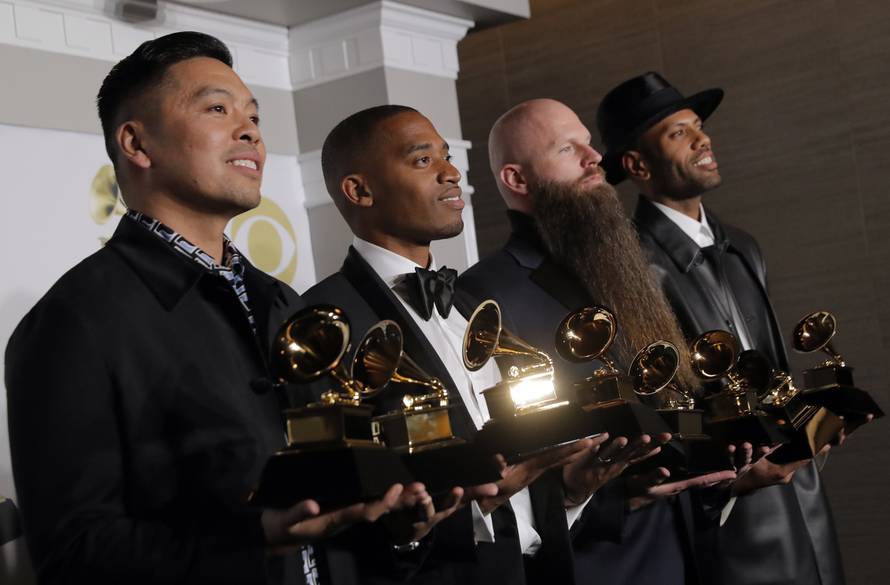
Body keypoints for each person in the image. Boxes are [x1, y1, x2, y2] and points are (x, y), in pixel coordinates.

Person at [5, 32, 449, 585]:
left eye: (255, 117)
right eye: (218, 108)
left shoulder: (282, 301)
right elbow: (74, 552)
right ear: (136, 145)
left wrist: (399, 528)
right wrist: (256, 539)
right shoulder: (73, 321)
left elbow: (329, 500)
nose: (251, 133)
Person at [303, 104, 645, 585]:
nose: (450, 173)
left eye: (447, 156)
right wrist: (476, 505)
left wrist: (571, 491)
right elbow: (339, 517)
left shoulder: (470, 305)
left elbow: (524, 488)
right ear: (360, 190)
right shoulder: (324, 323)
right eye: (423, 160)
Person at [458, 98, 742, 585]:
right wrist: (614, 496)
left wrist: (727, 465)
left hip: (689, 552)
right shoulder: (484, 296)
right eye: (569, 150)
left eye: (589, 144)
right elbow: (502, 472)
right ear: (517, 180)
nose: (595, 159)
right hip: (599, 567)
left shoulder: (625, 264)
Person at [596, 71, 846, 585]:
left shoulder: (744, 246)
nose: (702, 138)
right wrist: (723, 479)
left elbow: (773, 371)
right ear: (637, 164)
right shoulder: (629, 267)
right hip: (729, 513)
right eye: (678, 132)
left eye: (698, 125)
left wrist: (815, 424)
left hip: (804, 495)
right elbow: (655, 408)